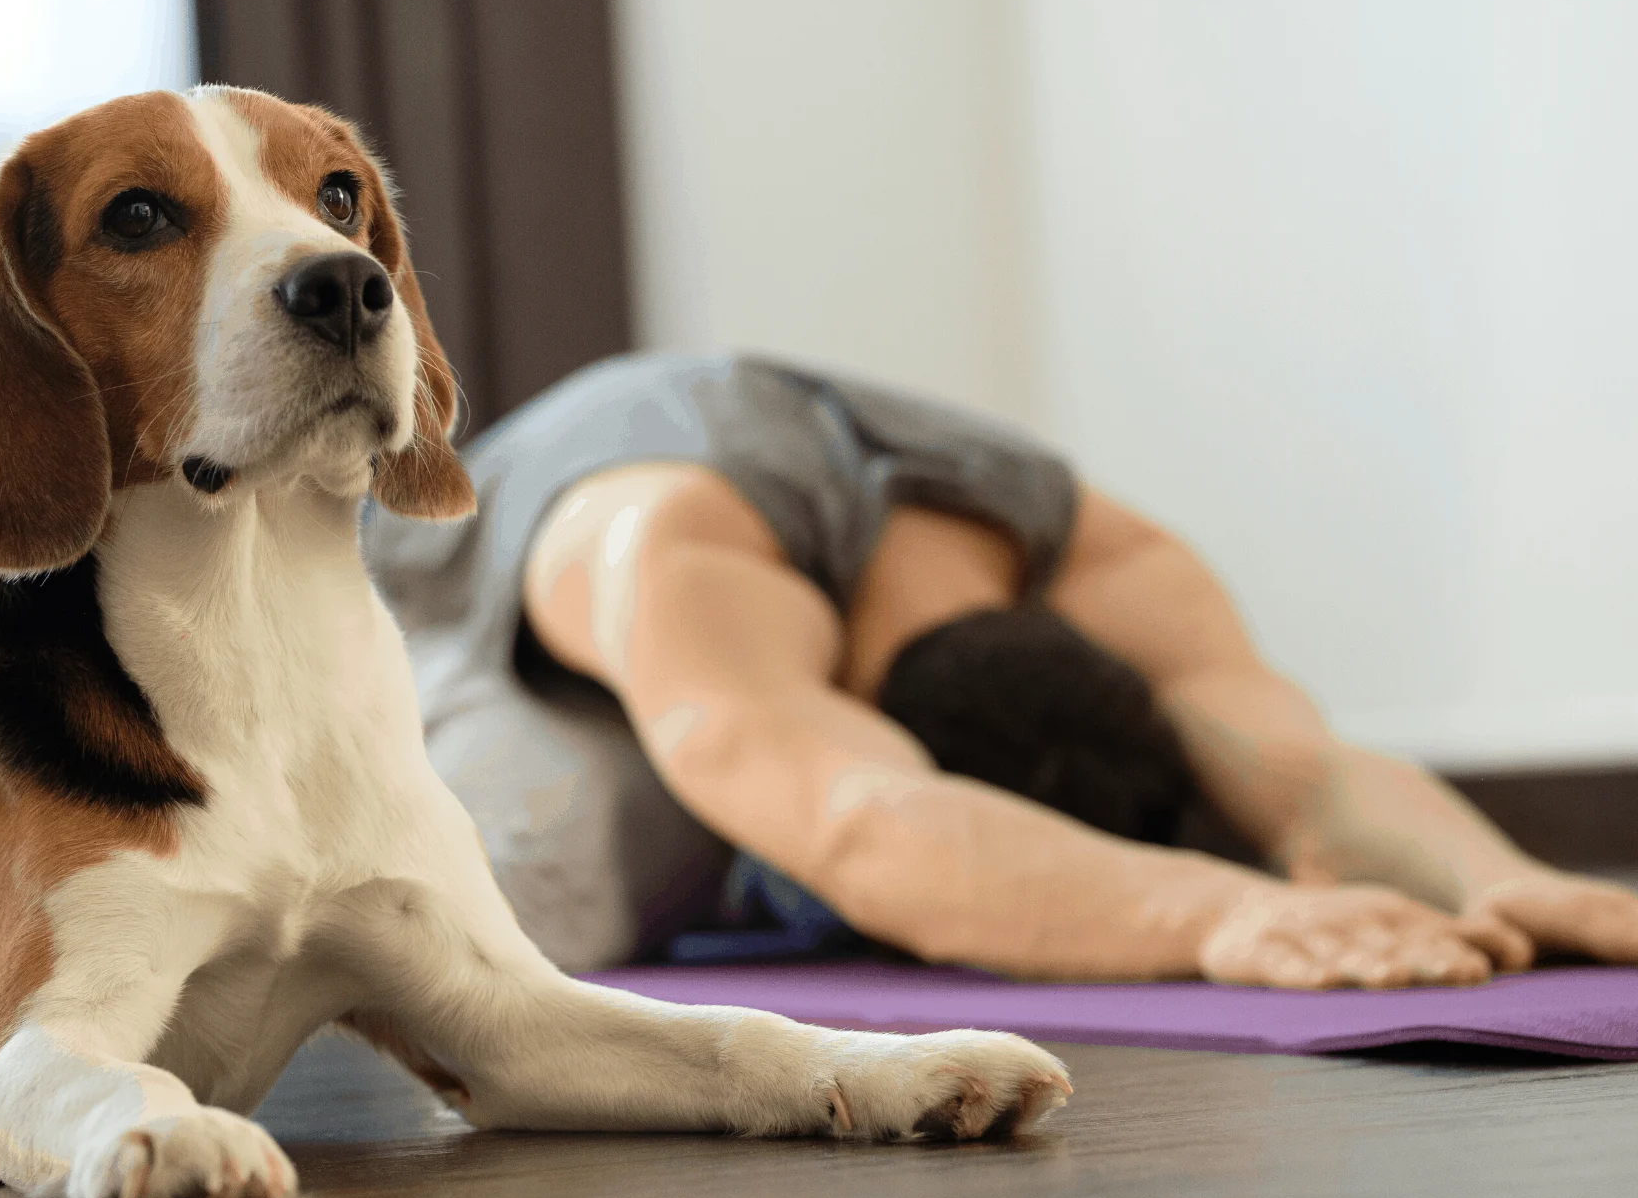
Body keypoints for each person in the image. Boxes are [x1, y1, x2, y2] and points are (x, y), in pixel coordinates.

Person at [365, 353, 1638, 986]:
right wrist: (1217, 913)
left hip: (741, 600)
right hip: (429, 615)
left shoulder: (1102, 556)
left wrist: (1510, 876)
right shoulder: (682, 558)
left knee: (760, 793)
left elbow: (1298, 769)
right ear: (878, 724)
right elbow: (867, 822)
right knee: (562, 883)